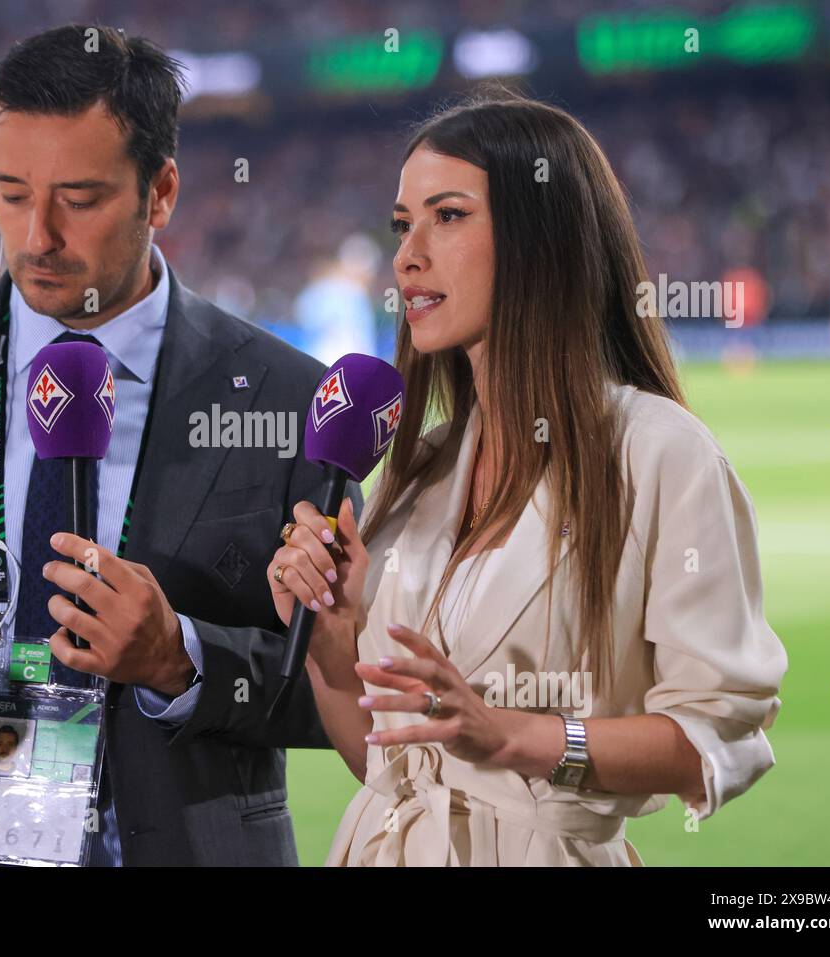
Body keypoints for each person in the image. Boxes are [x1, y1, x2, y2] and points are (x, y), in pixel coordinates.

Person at [0, 24, 356, 867]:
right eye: (10, 193)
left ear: (161, 194)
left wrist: (181, 660)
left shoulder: (287, 396)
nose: (37, 233)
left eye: (78, 199)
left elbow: (336, 684)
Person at [267, 92, 787, 866]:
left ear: (541, 237)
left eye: (447, 216)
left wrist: (519, 736)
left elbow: (715, 737)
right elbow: (386, 766)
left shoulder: (660, 453)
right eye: (402, 224)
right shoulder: (421, 466)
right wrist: (330, 644)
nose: (407, 255)